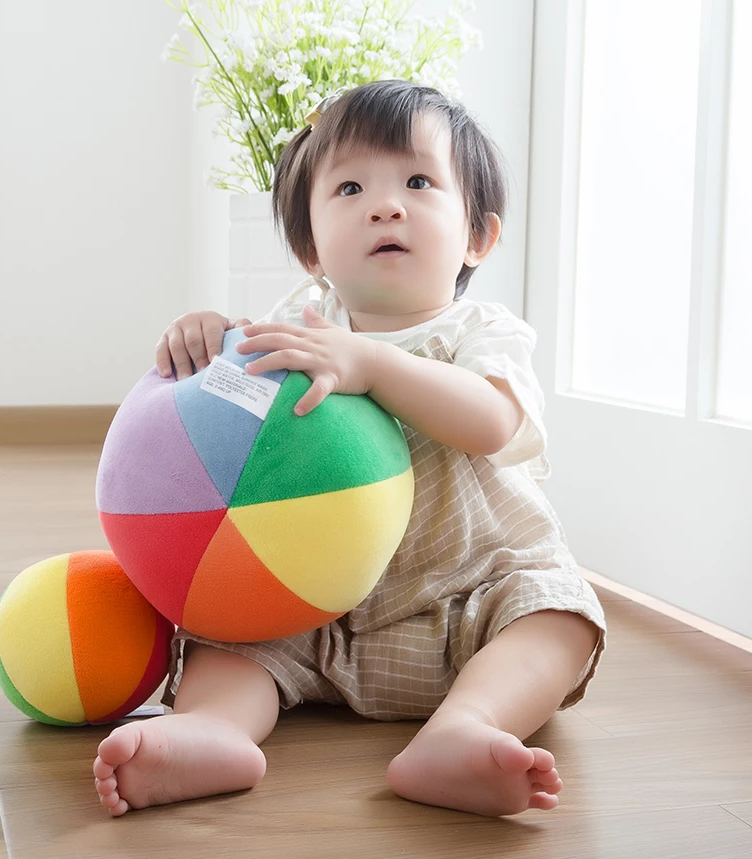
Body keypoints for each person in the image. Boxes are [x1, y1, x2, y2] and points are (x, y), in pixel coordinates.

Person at [93, 79, 606, 818]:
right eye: (351, 187)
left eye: (420, 182)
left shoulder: (480, 332)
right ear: (309, 247)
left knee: (560, 616)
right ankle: (212, 731)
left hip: (467, 603)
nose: (385, 204)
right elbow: (225, 408)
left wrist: (377, 366)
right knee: (227, 634)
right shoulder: (295, 326)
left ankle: (466, 728)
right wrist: (205, 337)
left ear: (478, 237)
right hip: (314, 615)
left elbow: (495, 421)